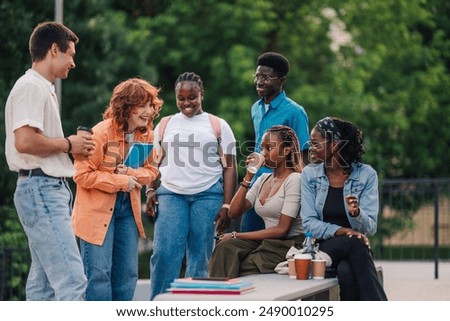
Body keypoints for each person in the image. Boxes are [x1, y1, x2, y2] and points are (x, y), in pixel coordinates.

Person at [4, 21, 94, 300]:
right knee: (72, 281)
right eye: (71, 55)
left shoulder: (40, 87)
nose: (73, 63)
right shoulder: (32, 86)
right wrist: (69, 144)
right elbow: (25, 141)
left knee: (42, 287)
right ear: (55, 50)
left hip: (45, 188)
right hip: (41, 189)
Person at [146, 72, 238, 300]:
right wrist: (149, 190)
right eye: (181, 98)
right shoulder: (165, 124)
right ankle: (159, 306)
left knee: (200, 258)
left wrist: (227, 204)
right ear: (176, 98)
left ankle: (196, 307)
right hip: (170, 194)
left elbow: (230, 167)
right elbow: (153, 161)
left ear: (202, 95)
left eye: (192, 97)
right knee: (164, 254)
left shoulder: (218, 125)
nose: (187, 103)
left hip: (207, 196)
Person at [71, 78, 162, 300]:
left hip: (127, 210)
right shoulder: (101, 132)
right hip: (96, 211)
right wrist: (120, 181)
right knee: (99, 276)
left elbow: (152, 170)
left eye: (151, 105)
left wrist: (130, 175)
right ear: (127, 106)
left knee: (127, 275)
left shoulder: (147, 135)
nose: (149, 111)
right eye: (143, 105)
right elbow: (82, 175)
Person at [300, 117, 387, 300]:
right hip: (323, 246)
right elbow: (308, 224)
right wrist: (343, 230)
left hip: (356, 250)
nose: (311, 147)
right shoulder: (310, 175)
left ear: (335, 145)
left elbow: (370, 227)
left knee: (346, 272)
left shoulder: (366, 175)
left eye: (316, 143)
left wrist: (357, 214)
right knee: (354, 242)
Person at [209, 125, 304, 278]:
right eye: (262, 148)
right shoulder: (263, 179)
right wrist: (248, 177)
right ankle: (216, 296)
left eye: (269, 148)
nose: (263, 154)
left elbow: (281, 230)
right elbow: (233, 212)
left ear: (286, 151)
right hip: (267, 243)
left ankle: (220, 296)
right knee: (224, 248)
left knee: (235, 262)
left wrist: (235, 235)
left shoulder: (295, 180)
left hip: (288, 244)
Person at [240, 52, 310, 233]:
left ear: (281, 80)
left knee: (278, 239)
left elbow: (304, 154)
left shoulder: (295, 111)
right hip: (258, 183)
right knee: (246, 236)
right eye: (257, 76)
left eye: (266, 77)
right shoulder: (255, 108)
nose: (259, 82)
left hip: (283, 188)